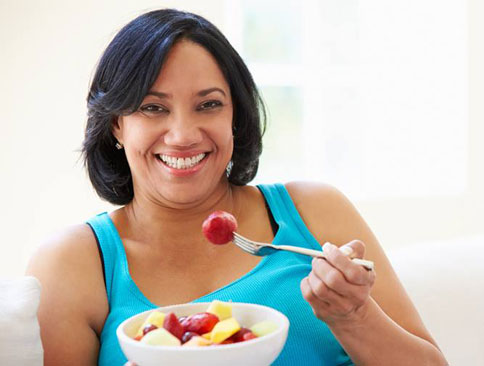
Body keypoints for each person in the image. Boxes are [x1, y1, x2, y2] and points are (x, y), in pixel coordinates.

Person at [26, 8, 447, 366]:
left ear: (235, 117)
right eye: (152, 108)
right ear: (116, 124)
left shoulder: (316, 210)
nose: (182, 134)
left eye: (208, 104)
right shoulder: (72, 263)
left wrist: (353, 315)